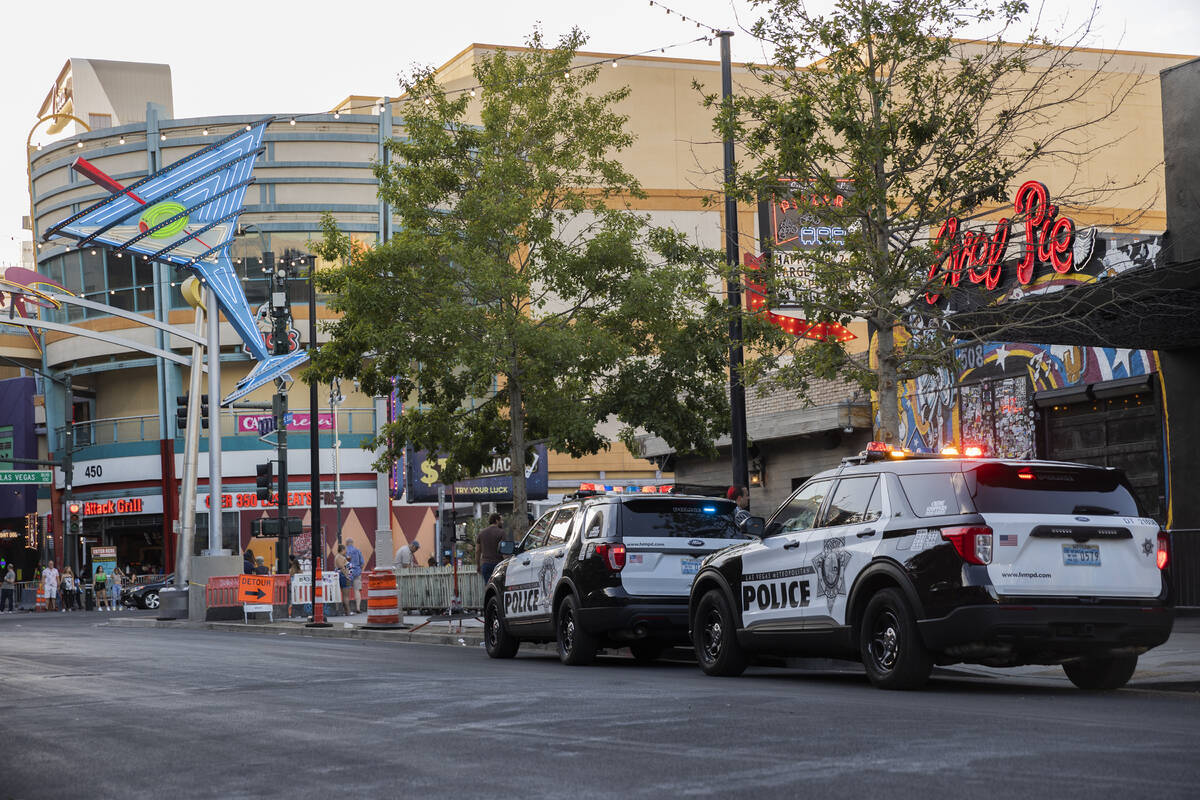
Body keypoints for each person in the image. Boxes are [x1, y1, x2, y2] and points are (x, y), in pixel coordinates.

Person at [477, 513, 505, 583]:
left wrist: (478, 565)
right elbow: (505, 551)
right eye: (501, 520)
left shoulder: (481, 533)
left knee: (488, 587)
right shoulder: (501, 532)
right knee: (499, 587)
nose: (502, 522)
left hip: (486, 564)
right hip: (498, 565)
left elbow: (477, 550)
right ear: (496, 520)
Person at [345, 537, 365, 613]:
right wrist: (359, 569)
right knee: (357, 590)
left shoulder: (344, 551)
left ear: (346, 543)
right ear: (352, 543)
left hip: (348, 572)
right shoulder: (357, 551)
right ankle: (358, 608)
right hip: (357, 572)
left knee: (346, 591)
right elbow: (362, 563)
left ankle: (348, 609)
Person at [334, 544, 353, 616]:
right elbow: (342, 568)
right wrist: (347, 576)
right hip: (343, 577)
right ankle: (348, 612)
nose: (346, 551)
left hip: (342, 576)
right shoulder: (339, 557)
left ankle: (346, 611)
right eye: (345, 549)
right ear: (342, 550)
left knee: (345, 595)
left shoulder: (340, 557)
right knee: (346, 595)